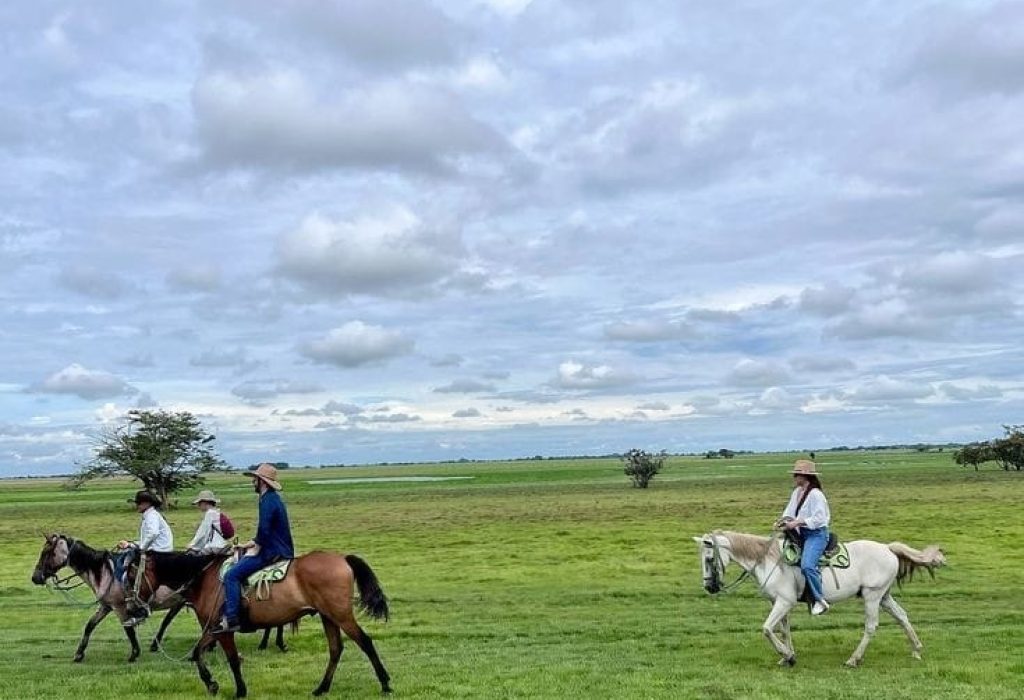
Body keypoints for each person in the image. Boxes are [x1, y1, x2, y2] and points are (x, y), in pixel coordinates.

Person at [216, 463, 294, 633]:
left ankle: (232, 618)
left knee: (232, 575)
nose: (253, 482)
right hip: (279, 547)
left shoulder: (267, 501)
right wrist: (249, 543)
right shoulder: (273, 499)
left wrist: (256, 548)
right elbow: (265, 531)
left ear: (262, 482)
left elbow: (264, 530)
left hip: (272, 551)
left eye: (255, 479)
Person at [776, 459, 832, 615]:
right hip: (801, 534)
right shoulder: (797, 492)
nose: (794, 477)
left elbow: (820, 519)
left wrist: (797, 523)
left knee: (807, 565)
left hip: (816, 535)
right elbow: (790, 511)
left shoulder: (816, 495)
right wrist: (783, 520)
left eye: (796, 474)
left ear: (805, 476)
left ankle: (820, 600)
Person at [116, 490, 174, 626]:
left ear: (146, 504)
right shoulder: (151, 515)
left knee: (130, 572)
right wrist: (131, 544)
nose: (137, 506)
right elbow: (147, 538)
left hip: (158, 553)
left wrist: (140, 548)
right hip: (157, 549)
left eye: (139, 503)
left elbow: (152, 534)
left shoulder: (151, 516)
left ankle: (141, 606)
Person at [186, 489, 229, 554]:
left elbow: (202, 533)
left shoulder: (210, 514)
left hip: (214, 546)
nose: (198, 506)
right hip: (222, 544)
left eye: (199, 504)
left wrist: (192, 545)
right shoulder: (217, 512)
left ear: (204, 503)